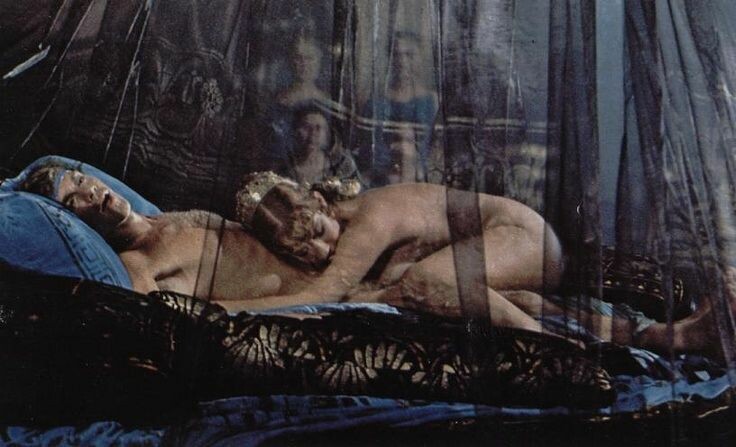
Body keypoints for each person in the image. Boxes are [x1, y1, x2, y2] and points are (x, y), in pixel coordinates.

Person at [18, 163, 736, 358]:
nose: (92, 193)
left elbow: (335, 283)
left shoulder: (363, 219)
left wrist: (368, 288)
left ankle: (598, 353)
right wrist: (233, 310)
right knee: (487, 294)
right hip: (502, 251)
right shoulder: (139, 261)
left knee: (428, 284)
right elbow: (157, 316)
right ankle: (659, 337)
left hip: (520, 238)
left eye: (83, 180)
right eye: (75, 202)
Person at [276, 105, 361, 185]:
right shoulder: (283, 167)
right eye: (306, 126)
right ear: (296, 131)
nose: (312, 133)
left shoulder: (342, 164)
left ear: (327, 133)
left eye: (318, 128)